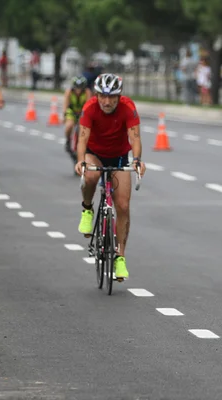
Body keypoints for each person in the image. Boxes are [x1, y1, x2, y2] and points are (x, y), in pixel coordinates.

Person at [74, 73, 146, 281]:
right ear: (96, 95)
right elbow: (82, 138)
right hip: (94, 153)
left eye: (112, 97)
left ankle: (120, 257)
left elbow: (134, 136)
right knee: (89, 176)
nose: (106, 102)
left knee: (122, 205)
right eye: (102, 96)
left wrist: (137, 159)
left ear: (119, 95)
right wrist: (81, 160)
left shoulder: (128, 107)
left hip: (120, 156)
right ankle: (87, 208)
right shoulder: (89, 108)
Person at [63, 76, 91, 156]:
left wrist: (85, 115)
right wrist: (65, 114)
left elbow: (88, 105)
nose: (78, 90)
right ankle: (68, 140)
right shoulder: (69, 92)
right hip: (71, 111)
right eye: (76, 87)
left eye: (80, 88)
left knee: (83, 129)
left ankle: (83, 145)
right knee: (69, 126)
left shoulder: (87, 92)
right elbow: (65, 104)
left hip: (82, 112)